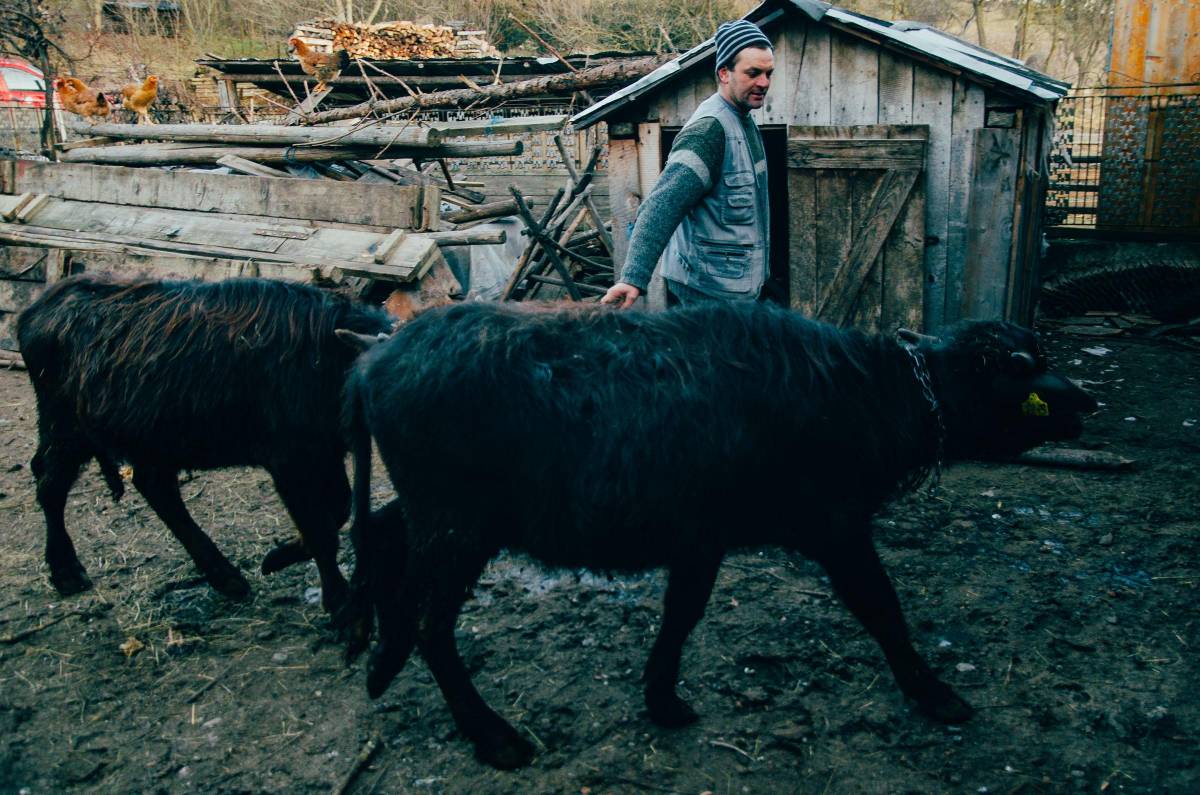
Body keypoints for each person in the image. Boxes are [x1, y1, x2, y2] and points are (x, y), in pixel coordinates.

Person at [602, 20, 774, 308]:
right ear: (724, 73)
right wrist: (633, 277)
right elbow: (662, 204)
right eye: (753, 73)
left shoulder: (744, 121)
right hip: (709, 293)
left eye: (769, 73)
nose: (764, 83)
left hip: (734, 287)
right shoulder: (709, 131)